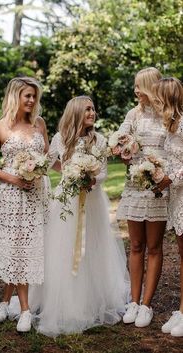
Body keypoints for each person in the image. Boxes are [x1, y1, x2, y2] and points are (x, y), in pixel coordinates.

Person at [33, 95, 129, 337]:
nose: (92, 113)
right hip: (66, 203)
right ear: (76, 112)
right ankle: (65, 302)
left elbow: (105, 173)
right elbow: (48, 164)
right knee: (63, 249)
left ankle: (92, 300)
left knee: (94, 248)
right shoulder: (60, 138)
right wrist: (67, 172)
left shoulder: (100, 140)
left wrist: (91, 179)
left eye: (93, 109)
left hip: (93, 202)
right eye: (87, 109)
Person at [0, 77, 50, 333]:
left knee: (26, 246)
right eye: (27, 96)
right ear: (16, 97)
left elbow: (45, 156)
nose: (32, 101)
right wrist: (15, 177)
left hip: (36, 193)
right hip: (11, 195)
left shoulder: (39, 123)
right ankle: (23, 310)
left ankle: (8, 303)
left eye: (34, 96)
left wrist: (38, 170)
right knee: (15, 247)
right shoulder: (0, 127)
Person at [116, 67, 168, 327]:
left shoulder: (169, 115)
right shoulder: (132, 114)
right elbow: (119, 140)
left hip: (159, 187)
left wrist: (161, 172)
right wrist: (121, 148)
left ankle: (147, 305)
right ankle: (133, 302)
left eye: (140, 86)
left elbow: (174, 150)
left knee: (155, 246)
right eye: (135, 86)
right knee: (136, 246)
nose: (136, 91)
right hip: (135, 185)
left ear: (151, 87)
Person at [152, 77, 183, 336]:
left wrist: (170, 178)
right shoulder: (171, 126)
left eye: (158, 97)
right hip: (176, 197)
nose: (154, 101)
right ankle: (182, 309)